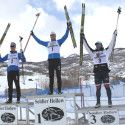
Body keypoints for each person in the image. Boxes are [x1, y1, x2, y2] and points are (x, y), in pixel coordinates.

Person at [31, 23, 70, 95]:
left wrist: (68, 28)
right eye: (51, 36)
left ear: (55, 36)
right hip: (50, 61)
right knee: (51, 76)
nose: (52, 37)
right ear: (50, 36)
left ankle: (59, 91)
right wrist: (33, 35)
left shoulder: (59, 41)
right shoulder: (47, 43)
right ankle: (51, 91)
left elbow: (65, 36)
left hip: (57, 60)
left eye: (54, 35)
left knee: (58, 76)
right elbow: (39, 41)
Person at [82, 30, 117, 108]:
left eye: (98, 45)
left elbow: (111, 44)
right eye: (96, 45)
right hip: (97, 72)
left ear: (101, 45)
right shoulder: (93, 53)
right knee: (98, 88)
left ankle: (109, 102)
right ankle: (98, 103)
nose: (97, 46)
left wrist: (114, 35)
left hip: (104, 71)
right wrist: (83, 39)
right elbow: (87, 47)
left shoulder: (106, 51)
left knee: (107, 87)